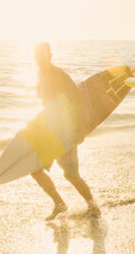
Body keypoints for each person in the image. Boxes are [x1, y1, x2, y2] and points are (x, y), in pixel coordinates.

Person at [30, 42, 100, 220]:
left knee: (71, 175)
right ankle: (59, 204)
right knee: (34, 168)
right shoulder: (39, 75)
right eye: (36, 56)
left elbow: (78, 101)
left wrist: (81, 130)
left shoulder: (59, 75)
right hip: (49, 131)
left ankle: (93, 206)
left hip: (66, 131)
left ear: (50, 55)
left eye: (42, 56)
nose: (39, 59)